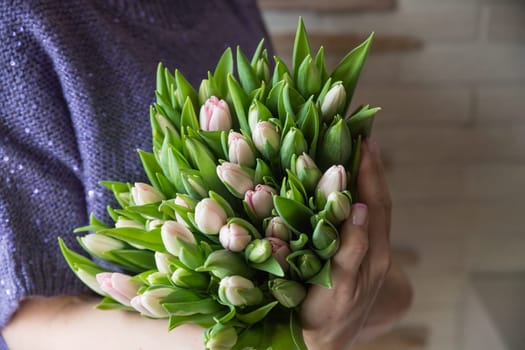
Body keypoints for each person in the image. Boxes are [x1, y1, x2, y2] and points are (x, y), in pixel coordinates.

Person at [0, 1, 412, 349]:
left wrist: (361, 279)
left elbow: (389, 299)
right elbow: (32, 327)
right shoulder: (19, 22)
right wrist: (293, 341)